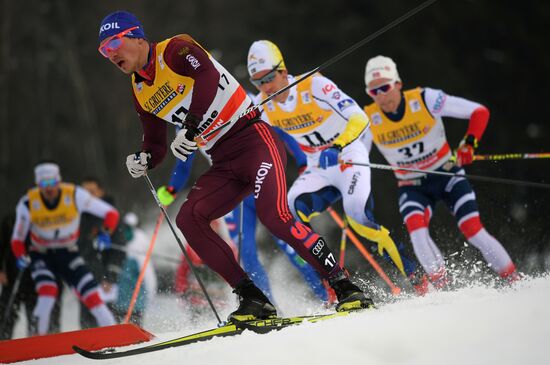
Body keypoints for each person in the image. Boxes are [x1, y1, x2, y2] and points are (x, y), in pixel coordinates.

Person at [98, 10, 372, 321]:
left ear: (136, 36)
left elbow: (208, 78)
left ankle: (344, 284)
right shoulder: (140, 90)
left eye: (114, 44)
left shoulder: (175, 50)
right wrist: (145, 158)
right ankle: (253, 298)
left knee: (276, 217)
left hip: (254, 140)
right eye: (103, 50)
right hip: (223, 160)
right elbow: (156, 143)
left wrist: (190, 127)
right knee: (190, 218)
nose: (110, 54)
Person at [246, 40, 418, 284]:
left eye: (269, 78)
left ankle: (415, 276)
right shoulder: (263, 105)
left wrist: (338, 146)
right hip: (318, 164)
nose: (266, 86)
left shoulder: (314, 84)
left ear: (283, 72)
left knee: (359, 218)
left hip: (347, 153)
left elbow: (360, 118)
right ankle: (335, 282)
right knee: (291, 211)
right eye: (258, 82)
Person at [362, 55, 520, 288]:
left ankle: (514, 280)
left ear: (398, 84)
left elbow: (479, 112)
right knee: (417, 232)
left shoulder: (426, 99)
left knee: (473, 229)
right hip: (412, 185)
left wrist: (469, 143)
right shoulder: (367, 118)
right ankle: (443, 288)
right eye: (374, 91)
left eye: (385, 87)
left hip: (447, 175)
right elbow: (359, 156)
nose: (381, 96)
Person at [157, 132, 330, 304]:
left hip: (260, 178)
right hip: (232, 191)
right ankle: (265, 305)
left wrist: (303, 163)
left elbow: (276, 131)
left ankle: (328, 294)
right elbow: (183, 165)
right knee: (246, 254)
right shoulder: (181, 121)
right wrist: (171, 190)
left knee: (290, 244)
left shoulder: (220, 105)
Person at [10, 162, 118, 335]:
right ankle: (38, 339)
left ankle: (114, 333)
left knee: (91, 294)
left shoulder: (75, 195)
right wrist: (20, 255)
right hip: (42, 254)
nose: (49, 189)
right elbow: (17, 238)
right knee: (47, 293)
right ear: (38, 184)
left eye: (53, 183)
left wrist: (105, 233)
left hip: (68, 252)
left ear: (58, 181)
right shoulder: (28, 203)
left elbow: (111, 213)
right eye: (44, 184)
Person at [77, 176, 126, 327]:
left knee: (108, 317)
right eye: (84, 192)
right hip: (85, 275)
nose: (88, 196)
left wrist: (109, 277)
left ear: (101, 192)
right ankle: (88, 345)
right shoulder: (78, 214)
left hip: (106, 279)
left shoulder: (110, 212)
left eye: (92, 191)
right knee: (87, 319)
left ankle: (115, 345)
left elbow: (119, 249)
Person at [114, 212, 157, 326]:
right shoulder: (123, 243)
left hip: (135, 302)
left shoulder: (139, 242)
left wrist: (150, 294)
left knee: (135, 326)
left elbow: (148, 275)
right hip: (122, 301)